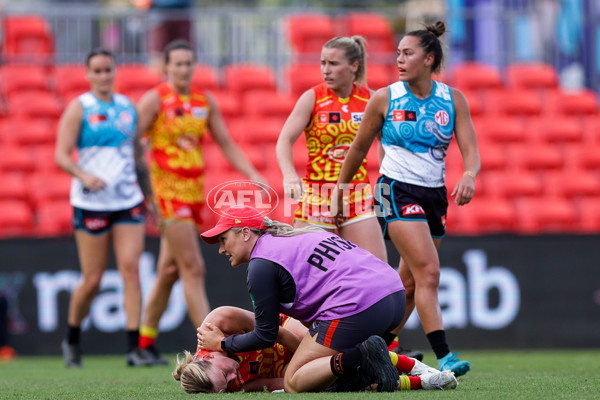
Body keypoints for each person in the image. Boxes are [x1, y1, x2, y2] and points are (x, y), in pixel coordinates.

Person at [333, 21, 481, 377]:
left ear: (429, 59)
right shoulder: (385, 98)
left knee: (410, 285)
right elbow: (358, 149)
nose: (399, 59)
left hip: (434, 196)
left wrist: (469, 175)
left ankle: (374, 352)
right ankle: (444, 355)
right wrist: (340, 189)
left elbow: (471, 151)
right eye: (398, 53)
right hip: (395, 190)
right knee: (429, 273)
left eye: (408, 53)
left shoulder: (452, 99)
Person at [135, 39, 265, 365]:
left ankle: (143, 344)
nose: (183, 69)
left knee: (168, 271)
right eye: (176, 63)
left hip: (193, 195)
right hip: (167, 195)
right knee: (193, 267)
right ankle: (209, 348)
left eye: (187, 63)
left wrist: (251, 173)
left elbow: (225, 141)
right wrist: (145, 192)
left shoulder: (203, 101)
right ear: (166, 67)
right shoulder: (155, 99)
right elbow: (131, 144)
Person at [196, 205, 406, 393]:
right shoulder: (293, 237)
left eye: (223, 240)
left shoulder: (260, 264)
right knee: (330, 372)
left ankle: (361, 356)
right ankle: (382, 367)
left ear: (245, 233)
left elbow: (265, 335)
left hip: (360, 306)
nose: (221, 249)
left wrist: (222, 343)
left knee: (294, 381)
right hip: (395, 296)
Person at [55, 47, 152, 367]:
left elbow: (138, 156)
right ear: (87, 74)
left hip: (127, 200)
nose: (103, 76)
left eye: (107, 70)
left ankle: (133, 349)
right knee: (93, 279)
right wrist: (84, 175)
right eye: (96, 71)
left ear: (115, 71)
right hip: (92, 202)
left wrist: (149, 197)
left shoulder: (127, 107)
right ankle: (71, 339)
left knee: (131, 271)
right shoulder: (79, 108)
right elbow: (61, 155)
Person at [275, 36, 387, 263]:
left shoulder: (372, 99)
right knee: (303, 275)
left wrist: (386, 182)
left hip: (356, 194)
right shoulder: (312, 98)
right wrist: (289, 175)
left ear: (353, 66)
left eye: (333, 64)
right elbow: (284, 140)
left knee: (379, 272)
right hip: (318, 194)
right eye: (322, 63)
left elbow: (386, 146)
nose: (326, 70)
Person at [175, 306, 457, 393]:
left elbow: (276, 331)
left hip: (290, 332)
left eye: (224, 375)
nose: (232, 379)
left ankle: (403, 363)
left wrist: (311, 360)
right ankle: (423, 378)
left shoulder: (218, 322)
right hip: (285, 365)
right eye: (226, 387)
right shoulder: (222, 385)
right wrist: (306, 380)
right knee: (339, 382)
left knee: (334, 365)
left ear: (209, 356)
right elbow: (274, 382)